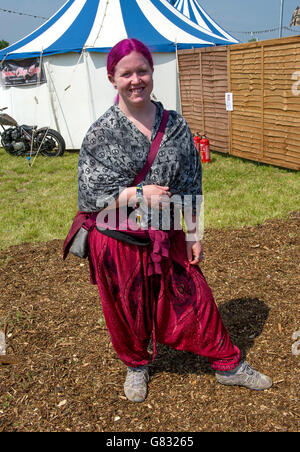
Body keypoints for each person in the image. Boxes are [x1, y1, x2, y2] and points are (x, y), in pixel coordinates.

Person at [67, 38, 272, 403]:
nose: (135, 80)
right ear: (112, 79)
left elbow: (191, 182)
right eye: (125, 73)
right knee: (125, 309)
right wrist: (137, 194)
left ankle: (228, 364)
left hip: (165, 233)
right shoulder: (102, 132)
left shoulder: (175, 126)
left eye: (142, 70)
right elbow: (90, 197)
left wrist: (193, 234)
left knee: (196, 297)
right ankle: (136, 365)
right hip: (117, 241)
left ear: (152, 72)